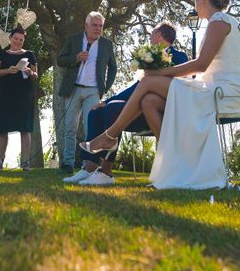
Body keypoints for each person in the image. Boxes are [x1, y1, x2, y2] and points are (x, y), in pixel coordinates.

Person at [81, 0, 240, 189]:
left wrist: (159, 73)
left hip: (223, 92)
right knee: (149, 101)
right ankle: (173, 164)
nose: (195, 4)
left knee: (149, 81)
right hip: (208, 89)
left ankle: (110, 135)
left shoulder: (220, 21)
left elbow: (201, 65)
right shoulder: (216, 22)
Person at [65, 22, 188, 185]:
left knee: (113, 109)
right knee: (97, 111)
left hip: (156, 112)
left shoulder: (179, 57)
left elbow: (179, 84)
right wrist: (105, 101)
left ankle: (106, 172)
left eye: (152, 33)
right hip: (137, 110)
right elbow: (138, 87)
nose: (150, 37)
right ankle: (89, 166)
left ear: (159, 35)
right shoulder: (149, 56)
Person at [57, 11, 117, 174]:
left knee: (91, 128)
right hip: (73, 89)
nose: (97, 29)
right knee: (70, 127)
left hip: (93, 91)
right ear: (86, 25)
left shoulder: (106, 44)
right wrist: (75, 58)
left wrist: (105, 86)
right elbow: (60, 60)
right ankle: (67, 163)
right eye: (94, 25)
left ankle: (87, 165)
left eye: (100, 26)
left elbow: (113, 67)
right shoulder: (74, 39)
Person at [0, 27, 39, 172]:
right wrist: (8, 70)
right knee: (2, 129)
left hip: (24, 95)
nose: (18, 41)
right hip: (5, 94)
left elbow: (36, 75)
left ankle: (25, 163)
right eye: (16, 38)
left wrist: (31, 72)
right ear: (10, 38)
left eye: (21, 40)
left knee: (25, 128)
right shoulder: (1, 53)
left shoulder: (30, 54)